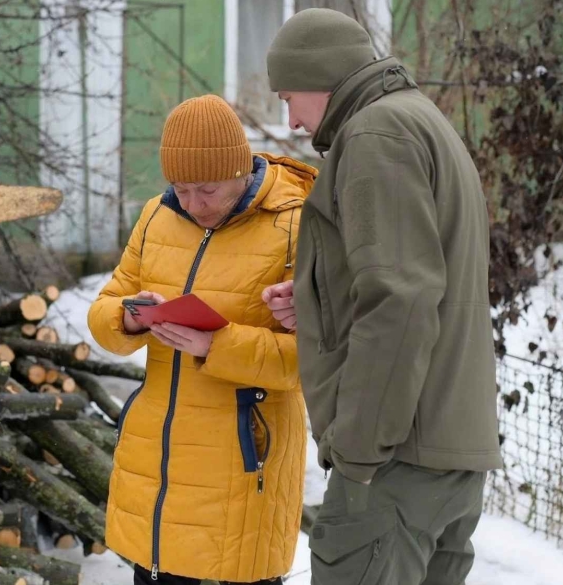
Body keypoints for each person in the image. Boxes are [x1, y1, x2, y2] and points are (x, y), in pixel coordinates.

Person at [261, 8, 503, 585]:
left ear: (321, 79)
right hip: (449, 450)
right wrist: (321, 306)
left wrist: (358, 451)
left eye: (289, 97)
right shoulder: (421, 120)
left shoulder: (375, 136)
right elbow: (425, 277)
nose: (292, 120)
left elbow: (401, 300)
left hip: (395, 459)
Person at [88, 94, 315, 585]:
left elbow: (315, 360)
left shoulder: (297, 223)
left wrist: (216, 345)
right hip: (157, 465)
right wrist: (131, 321)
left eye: (206, 188)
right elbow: (104, 307)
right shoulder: (155, 216)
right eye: (180, 188)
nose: (192, 204)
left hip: (242, 465)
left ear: (239, 168)